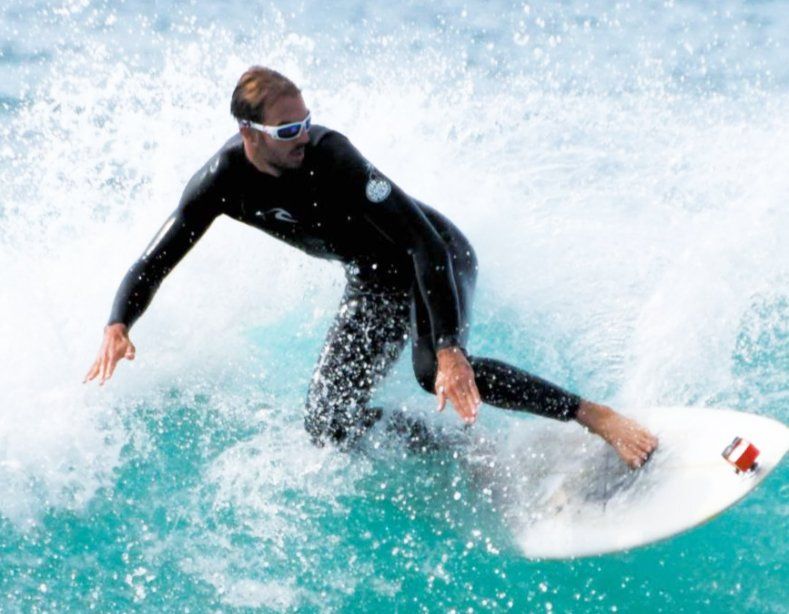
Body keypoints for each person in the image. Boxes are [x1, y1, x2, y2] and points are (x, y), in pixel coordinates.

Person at [85, 66, 658, 468]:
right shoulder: (221, 182)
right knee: (327, 422)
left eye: (305, 121)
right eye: (287, 130)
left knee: (429, 366)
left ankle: (594, 416)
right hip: (374, 275)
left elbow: (423, 243)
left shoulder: (334, 158)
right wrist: (119, 322)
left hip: (435, 252)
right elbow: (153, 260)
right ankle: (448, 451)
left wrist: (451, 349)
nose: (302, 136)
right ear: (248, 133)